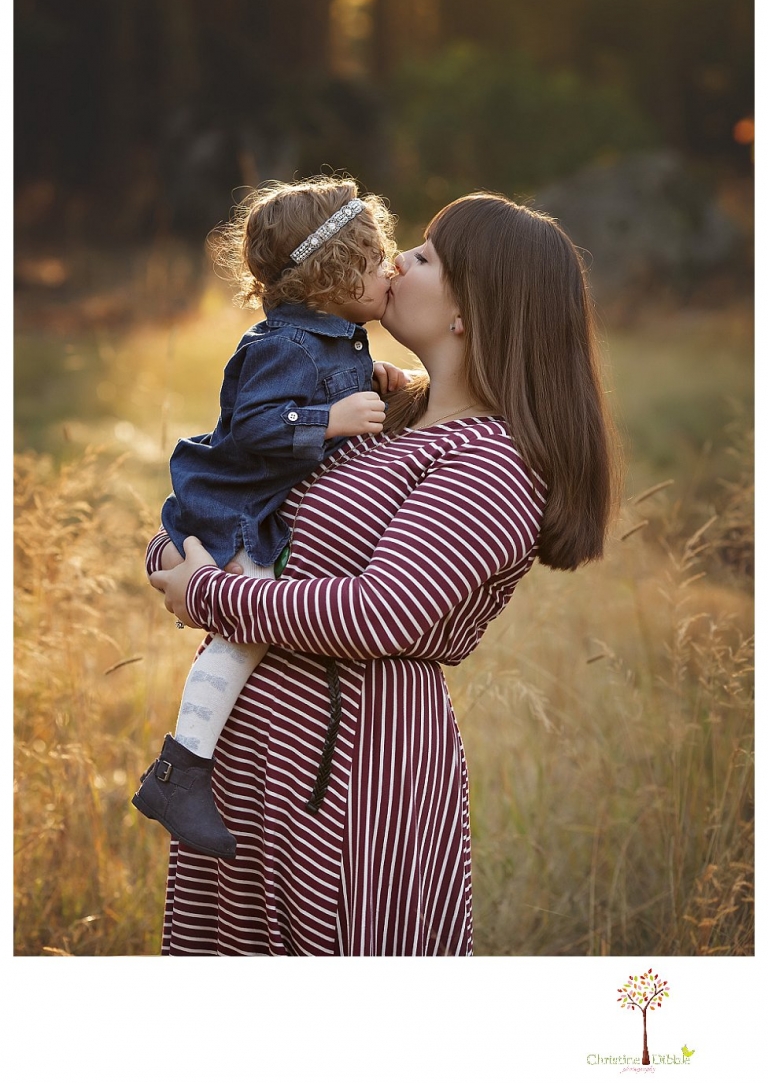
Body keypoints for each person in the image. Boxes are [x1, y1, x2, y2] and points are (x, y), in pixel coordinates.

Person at [147, 191, 619, 956]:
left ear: (474, 307)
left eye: (427, 255)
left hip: (351, 775)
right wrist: (173, 552)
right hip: (247, 761)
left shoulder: (489, 463)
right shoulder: (378, 410)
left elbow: (379, 613)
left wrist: (207, 591)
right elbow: (244, 490)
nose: (398, 261)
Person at [133, 176, 407, 859]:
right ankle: (180, 768)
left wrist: (379, 384)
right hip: (232, 505)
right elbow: (257, 424)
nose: (392, 269)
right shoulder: (281, 344)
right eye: (376, 261)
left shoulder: (336, 337)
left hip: (258, 505)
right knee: (241, 627)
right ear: (330, 275)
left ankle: (188, 767)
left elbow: (331, 385)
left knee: (246, 619)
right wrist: (331, 418)